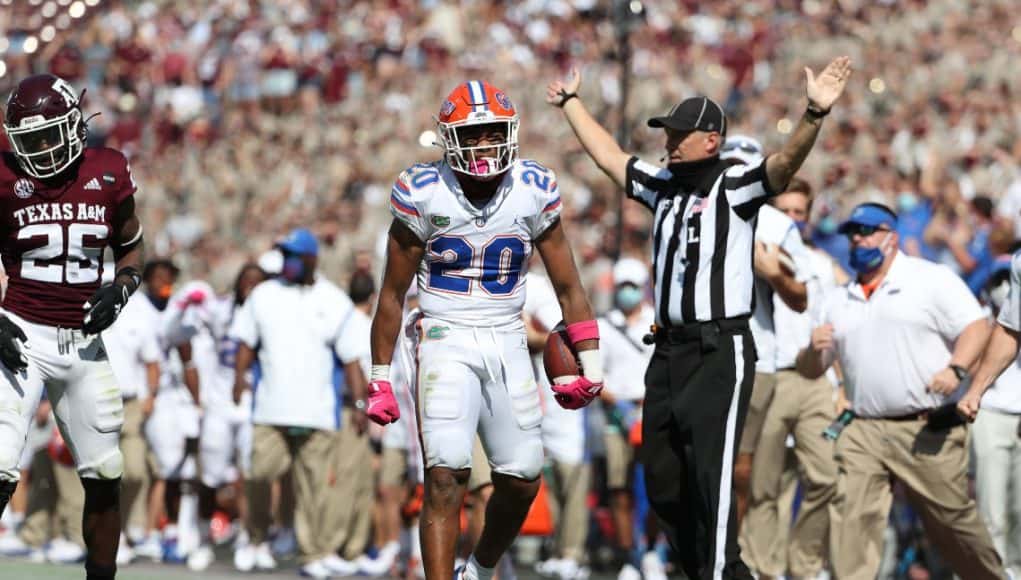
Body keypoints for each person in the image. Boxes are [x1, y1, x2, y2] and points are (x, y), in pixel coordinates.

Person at [547, 57, 851, 578]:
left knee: (711, 474)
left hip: (719, 348)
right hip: (667, 350)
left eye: (680, 134)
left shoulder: (734, 186)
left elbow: (781, 167)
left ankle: (718, 572)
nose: (669, 142)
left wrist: (814, 113)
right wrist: (573, 106)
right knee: (664, 477)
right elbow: (611, 158)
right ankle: (716, 572)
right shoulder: (662, 186)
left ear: (711, 139)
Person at [369, 80, 602, 580]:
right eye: (472, 135)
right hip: (443, 336)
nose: (483, 145)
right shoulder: (423, 191)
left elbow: (569, 285)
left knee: (522, 478)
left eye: (492, 132)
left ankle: (477, 568)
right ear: (449, 138)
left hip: (507, 335)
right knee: (445, 475)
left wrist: (593, 361)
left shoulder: (533, 188)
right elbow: (391, 294)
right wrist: (380, 374)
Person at [798, 202, 1005, 579]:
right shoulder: (839, 297)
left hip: (924, 426)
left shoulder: (929, 278)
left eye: (867, 231)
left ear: (891, 237)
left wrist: (956, 368)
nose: (858, 239)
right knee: (852, 518)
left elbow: (976, 327)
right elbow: (812, 369)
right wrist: (811, 350)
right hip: (863, 427)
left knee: (952, 523)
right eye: (852, 233)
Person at [0, 73, 146, 580]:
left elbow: (130, 245)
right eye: (28, 142)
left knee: (106, 476)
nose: (38, 150)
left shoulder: (108, 169)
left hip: (84, 343)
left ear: (72, 126)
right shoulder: (3, 175)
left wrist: (124, 285)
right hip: (20, 335)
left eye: (46, 136)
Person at [230, 228, 368, 579]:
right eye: (284, 255)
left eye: (293, 255)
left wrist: (362, 404)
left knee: (315, 489)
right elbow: (246, 342)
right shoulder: (263, 294)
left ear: (310, 259)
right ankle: (256, 540)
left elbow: (351, 356)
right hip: (270, 407)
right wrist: (238, 378)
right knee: (259, 474)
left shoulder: (334, 299)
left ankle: (313, 553)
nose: (287, 262)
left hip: (318, 410)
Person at [741, 177, 844, 578]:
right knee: (766, 486)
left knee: (825, 477)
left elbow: (832, 323)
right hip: (771, 373)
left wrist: (840, 385)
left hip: (812, 377)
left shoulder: (819, 265)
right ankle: (764, 567)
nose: (793, 219)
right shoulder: (751, 254)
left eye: (800, 213)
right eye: (786, 211)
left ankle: (803, 564)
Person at [718, 135, 810, 528]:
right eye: (729, 166)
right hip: (702, 349)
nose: (735, 174)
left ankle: (726, 559)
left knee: (740, 468)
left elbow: (800, 295)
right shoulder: (698, 209)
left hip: (756, 350)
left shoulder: (776, 225)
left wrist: (774, 273)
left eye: (744, 166)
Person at [593, 258, 660, 580]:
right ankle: (628, 557)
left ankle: (650, 551)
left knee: (655, 484)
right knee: (619, 487)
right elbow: (595, 374)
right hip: (616, 413)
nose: (628, 293)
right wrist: (616, 403)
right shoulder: (605, 326)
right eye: (623, 287)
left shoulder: (656, 323)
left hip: (650, 410)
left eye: (634, 286)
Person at [958, 252, 1021, 576]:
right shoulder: (982, 321)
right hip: (994, 415)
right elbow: (1009, 332)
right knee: (993, 513)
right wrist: (976, 390)